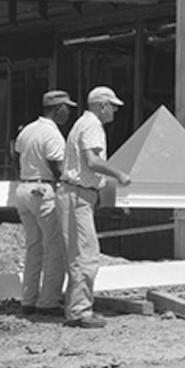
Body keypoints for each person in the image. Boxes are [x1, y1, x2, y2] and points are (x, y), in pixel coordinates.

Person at [57, 86, 132, 328]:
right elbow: (92, 161)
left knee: (78, 255)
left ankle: (75, 307)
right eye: (113, 106)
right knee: (86, 255)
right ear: (102, 105)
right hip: (78, 195)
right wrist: (118, 174)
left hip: (75, 193)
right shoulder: (92, 126)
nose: (115, 111)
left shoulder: (82, 123)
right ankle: (80, 311)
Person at [14, 90, 75, 317]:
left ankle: (28, 299)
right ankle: (48, 301)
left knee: (33, 246)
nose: (68, 112)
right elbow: (57, 167)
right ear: (57, 108)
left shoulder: (27, 130)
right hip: (43, 189)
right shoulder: (53, 135)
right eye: (66, 108)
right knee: (54, 246)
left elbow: (16, 159)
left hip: (24, 188)